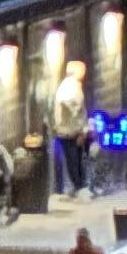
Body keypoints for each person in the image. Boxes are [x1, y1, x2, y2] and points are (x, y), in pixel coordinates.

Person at [50, 59, 91, 198]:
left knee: (78, 158)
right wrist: (80, 128)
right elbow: (73, 108)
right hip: (69, 132)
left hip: (73, 131)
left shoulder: (75, 86)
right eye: (82, 70)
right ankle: (78, 186)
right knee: (73, 159)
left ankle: (80, 185)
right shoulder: (69, 86)